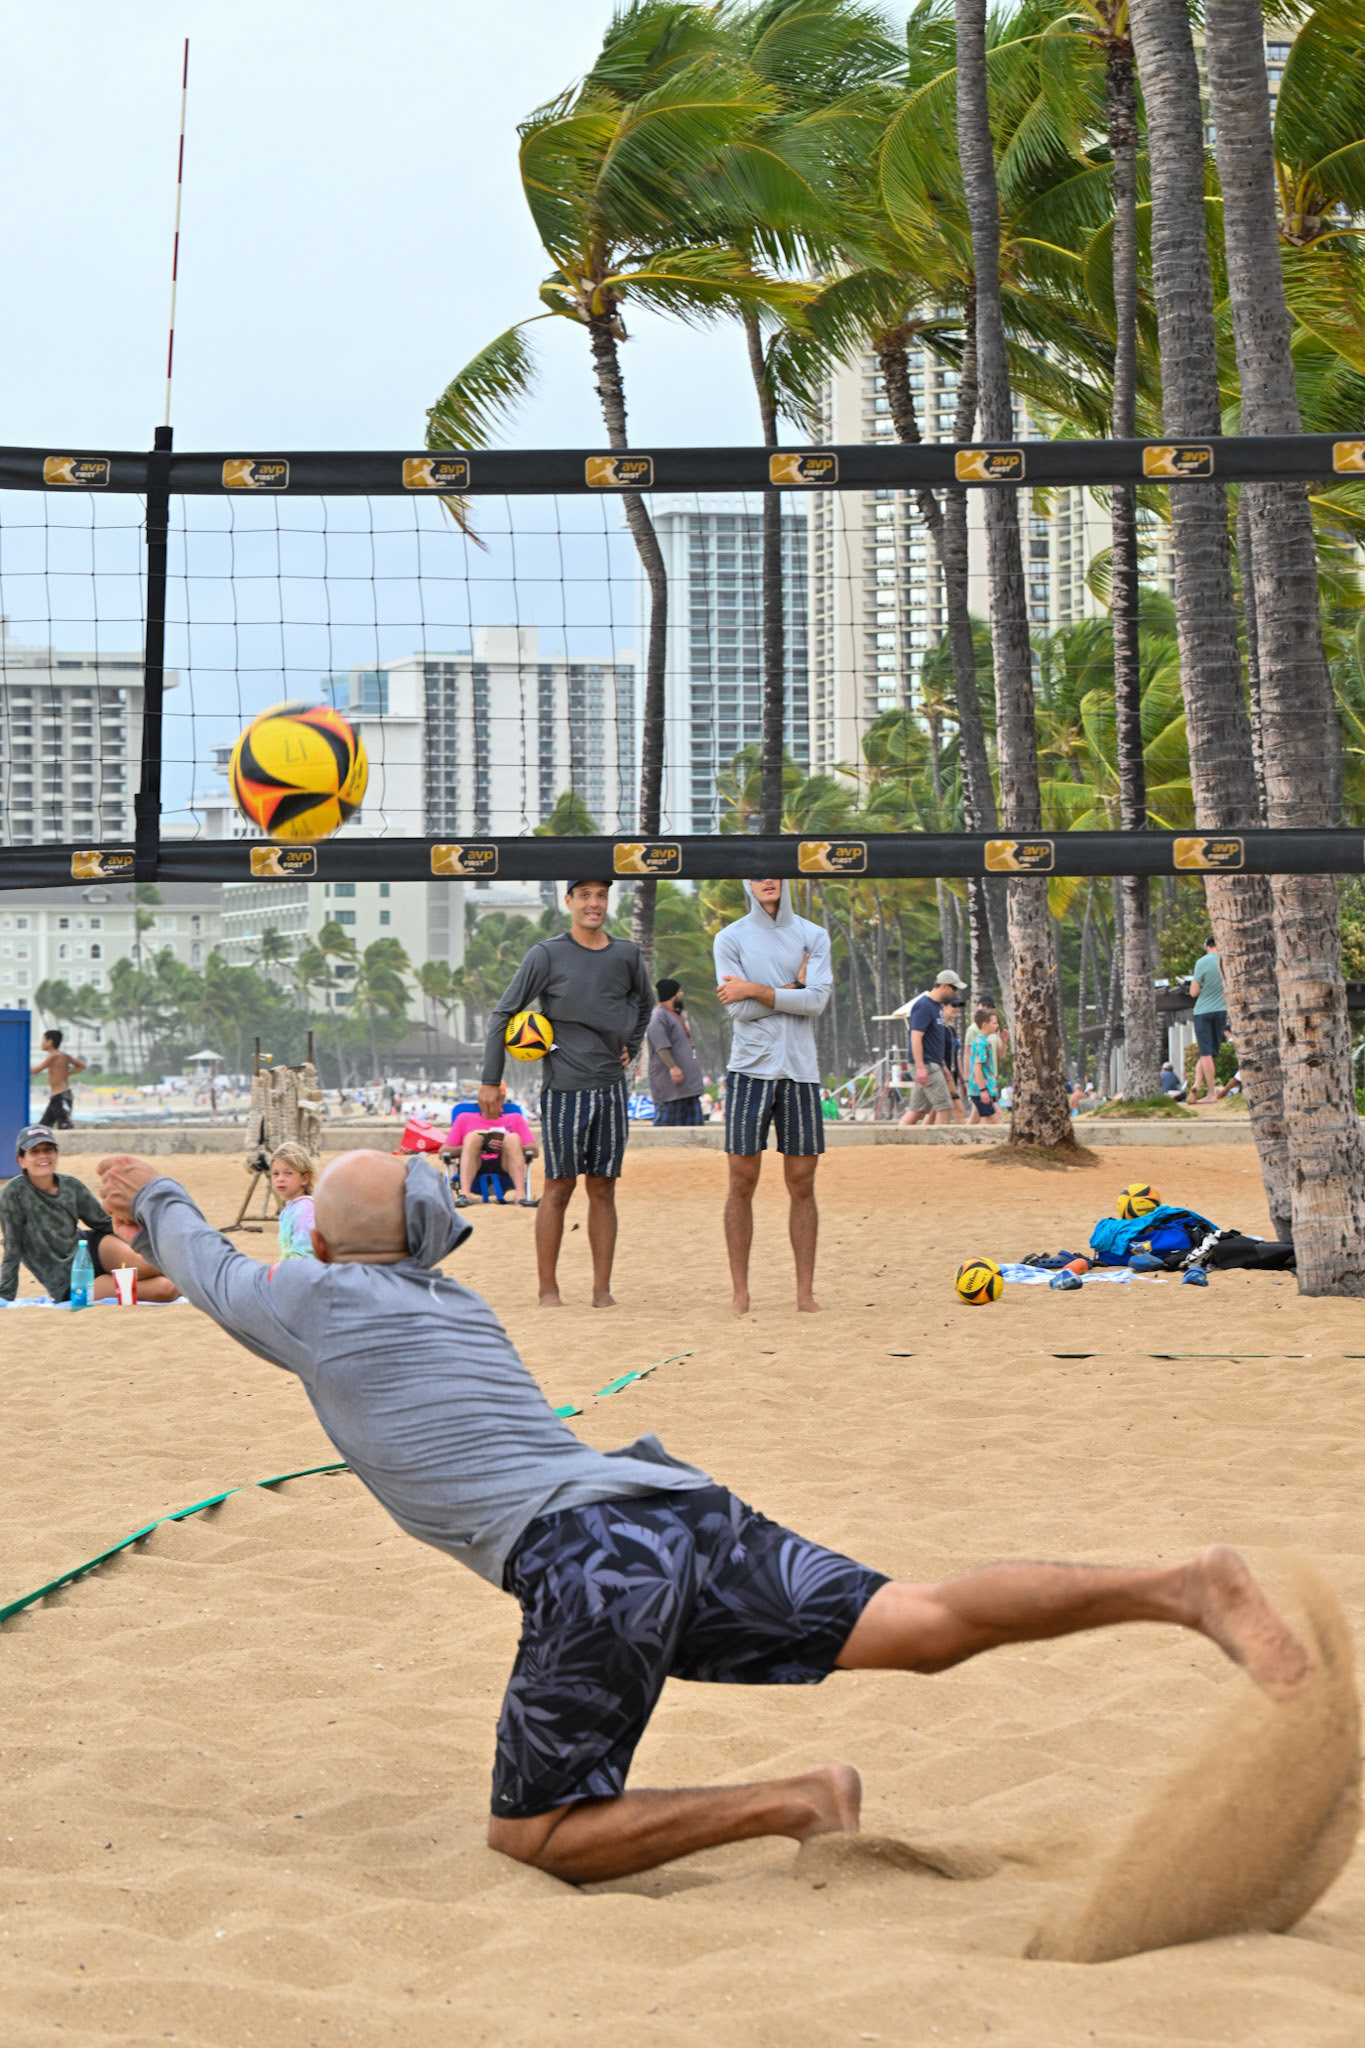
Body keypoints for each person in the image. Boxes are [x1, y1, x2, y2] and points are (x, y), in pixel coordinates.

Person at [94, 1144, 1317, 1884]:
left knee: (534, 1836)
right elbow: (223, 1278)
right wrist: (170, 1240)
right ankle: (1181, 1585)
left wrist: (151, 1192)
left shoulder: (311, 1297)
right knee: (930, 1618)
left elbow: (204, 1258)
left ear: (324, 1239)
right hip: (671, 1502)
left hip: (587, 1556)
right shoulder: (449, 1302)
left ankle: (796, 1799)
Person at [481, 879, 652, 1309]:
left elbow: (645, 1004)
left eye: (601, 896)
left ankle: (601, 1291)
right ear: (569, 901)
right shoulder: (547, 954)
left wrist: (630, 1039)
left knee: (604, 1188)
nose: (594, 904)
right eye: (585, 896)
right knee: (558, 1187)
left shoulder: (626, 955)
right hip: (563, 1091)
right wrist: (490, 1078)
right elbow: (505, 1013)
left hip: (612, 1087)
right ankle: (548, 1290)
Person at [713, 880, 832, 1316]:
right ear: (746, 882)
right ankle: (740, 1292)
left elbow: (817, 1001)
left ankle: (805, 1293)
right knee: (741, 1181)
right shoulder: (729, 938)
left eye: (776, 871)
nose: (768, 879)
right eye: (758, 872)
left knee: (802, 1183)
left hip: (801, 1072)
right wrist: (792, 986)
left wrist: (756, 989)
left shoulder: (813, 935)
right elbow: (736, 1009)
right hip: (749, 1070)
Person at [0, 1127, 176, 1303]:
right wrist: (5, 1297)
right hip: (71, 1283)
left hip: (90, 1248)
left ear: (56, 1154)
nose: (43, 1156)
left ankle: (193, 1273)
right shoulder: (13, 1195)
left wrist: (143, 1243)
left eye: (48, 1150)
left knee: (149, 1266)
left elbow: (105, 1223)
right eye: (35, 1152)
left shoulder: (71, 1186)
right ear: (21, 1160)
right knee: (165, 1290)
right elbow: (12, 1250)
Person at [448, 1085, 537, 1208]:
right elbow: (444, 1152)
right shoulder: (464, 1118)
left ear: (502, 1100)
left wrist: (506, 1146)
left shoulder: (515, 1119)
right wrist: (479, 1146)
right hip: (474, 1164)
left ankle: (520, 1196)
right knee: (472, 1138)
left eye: (496, 1099)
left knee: (513, 1138)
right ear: (480, 1101)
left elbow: (534, 1151)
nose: (491, 1104)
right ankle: (465, 1194)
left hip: (505, 1165)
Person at [898, 971, 967, 1128]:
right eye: (954, 989)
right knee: (944, 1106)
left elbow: (937, 1040)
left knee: (917, 1110)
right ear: (944, 986)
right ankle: (938, 1145)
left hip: (935, 1063)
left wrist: (943, 1066)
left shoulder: (937, 1007)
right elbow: (915, 1037)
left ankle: (894, 1139)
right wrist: (921, 1067)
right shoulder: (923, 1006)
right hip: (927, 1064)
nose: (955, 993)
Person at [647, 978, 706, 1127]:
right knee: (666, 1131)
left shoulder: (675, 1015)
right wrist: (673, 1067)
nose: (682, 994)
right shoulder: (658, 1016)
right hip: (671, 1087)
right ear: (672, 994)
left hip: (687, 1087)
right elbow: (661, 1045)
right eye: (679, 991)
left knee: (694, 1132)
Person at [1185, 937, 1229, 1105]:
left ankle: (1211, 1094)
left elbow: (1193, 992)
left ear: (1207, 947)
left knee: (1206, 1053)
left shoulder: (1202, 962)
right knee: (1209, 1053)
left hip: (1203, 1012)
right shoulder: (1227, 960)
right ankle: (1196, 1084)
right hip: (1222, 1011)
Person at [270, 1143, 318, 1260]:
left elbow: (304, 1255)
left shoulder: (306, 1210)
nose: (280, 1179)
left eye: (288, 1173)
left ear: (304, 1178)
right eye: (276, 1173)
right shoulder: (291, 1209)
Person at [32, 1028, 86, 1130]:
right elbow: (82, 1066)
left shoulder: (53, 1056)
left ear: (50, 1042)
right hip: (57, 1098)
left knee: (64, 1126)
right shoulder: (64, 1056)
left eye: (43, 1040)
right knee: (43, 1127)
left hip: (61, 1098)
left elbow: (36, 1070)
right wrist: (66, 1074)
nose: (41, 1043)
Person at [964, 1004, 1000, 1122]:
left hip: (984, 1088)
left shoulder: (983, 1041)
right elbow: (977, 1068)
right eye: (994, 1023)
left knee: (986, 1119)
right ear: (985, 1025)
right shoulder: (981, 1044)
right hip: (982, 1089)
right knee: (991, 1121)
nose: (997, 1025)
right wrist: (983, 1090)